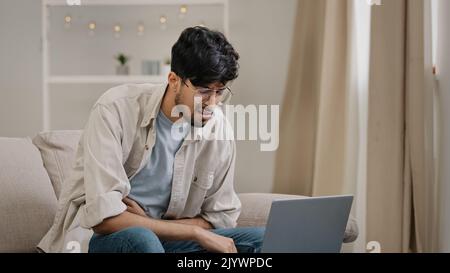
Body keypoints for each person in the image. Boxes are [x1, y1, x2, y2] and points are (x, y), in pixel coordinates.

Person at [37, 26, 264, 253]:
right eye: (203, 90)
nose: (212, 104)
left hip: (168, 240)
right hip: (102, 239)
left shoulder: (217, 126)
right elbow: (103, 219)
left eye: (220, 91)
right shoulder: (115, 109)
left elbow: (221, 217)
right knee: (143, 239)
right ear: (174, 80)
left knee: (263, 240)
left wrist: (159, 226)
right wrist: (194, 231)